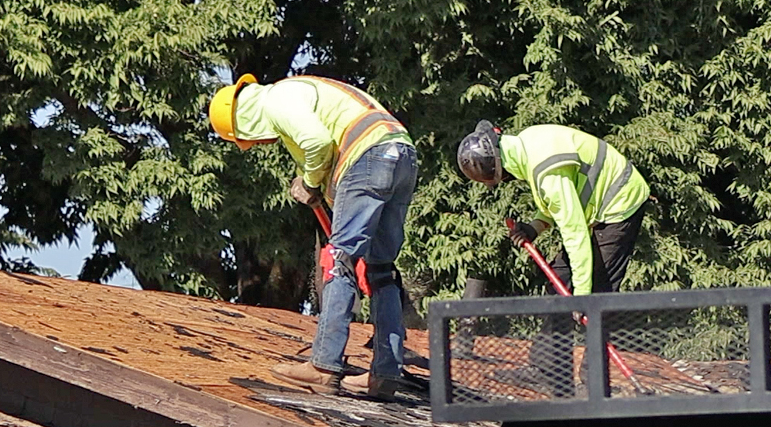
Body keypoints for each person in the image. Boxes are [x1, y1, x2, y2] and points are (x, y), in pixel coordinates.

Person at [207, 73, 416, 399]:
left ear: (244, 123)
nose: (259, 144)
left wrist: (308, 183)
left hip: (369, 154)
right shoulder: (300, 91)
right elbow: (334, 157)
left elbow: (317, 143)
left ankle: (323, 366)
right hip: (401, 152)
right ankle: (385, 374)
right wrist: (319, 188)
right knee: (381, 269)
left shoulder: (276, 100)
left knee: (339, 260)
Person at [455, 121, 652, 294]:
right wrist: (535, 227)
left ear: (501, 170)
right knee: (559, 284)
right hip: (599, 204)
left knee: (599, 292)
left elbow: (574, 232)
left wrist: (582, 297)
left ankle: (606, 336)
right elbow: (559, 199)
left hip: (620, 201)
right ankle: (553, 338)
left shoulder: (547, 173)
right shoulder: (526, 145)